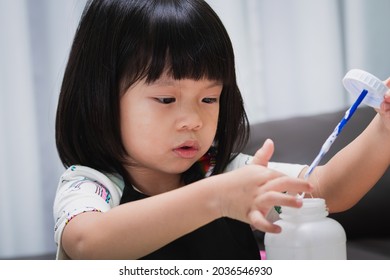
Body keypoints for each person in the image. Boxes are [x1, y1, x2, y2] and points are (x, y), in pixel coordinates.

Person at [53, 0, 390, 260]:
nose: (193, 120)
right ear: (101, 98)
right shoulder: (90, 185)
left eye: (209, 98)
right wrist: (217, 199)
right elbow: (87, 243)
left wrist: (384, 128)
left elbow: (323, 190)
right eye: (167, 98)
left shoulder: (221, 170)